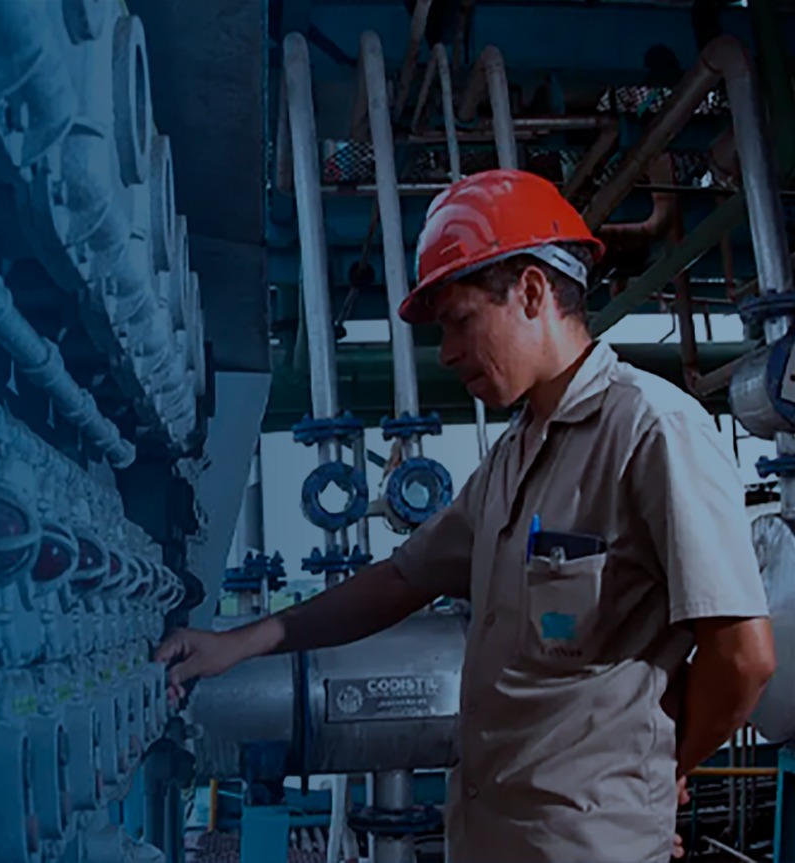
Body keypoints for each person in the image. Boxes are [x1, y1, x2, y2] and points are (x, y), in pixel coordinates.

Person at [155, 169, 777, 862]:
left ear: (533, 291)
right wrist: (238, 642)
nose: (447, 352)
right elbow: (400, 580)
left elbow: (742, 656)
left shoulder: (652, 431)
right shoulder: (513, 457)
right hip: (488, 838)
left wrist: (661, 770)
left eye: (460, 320)